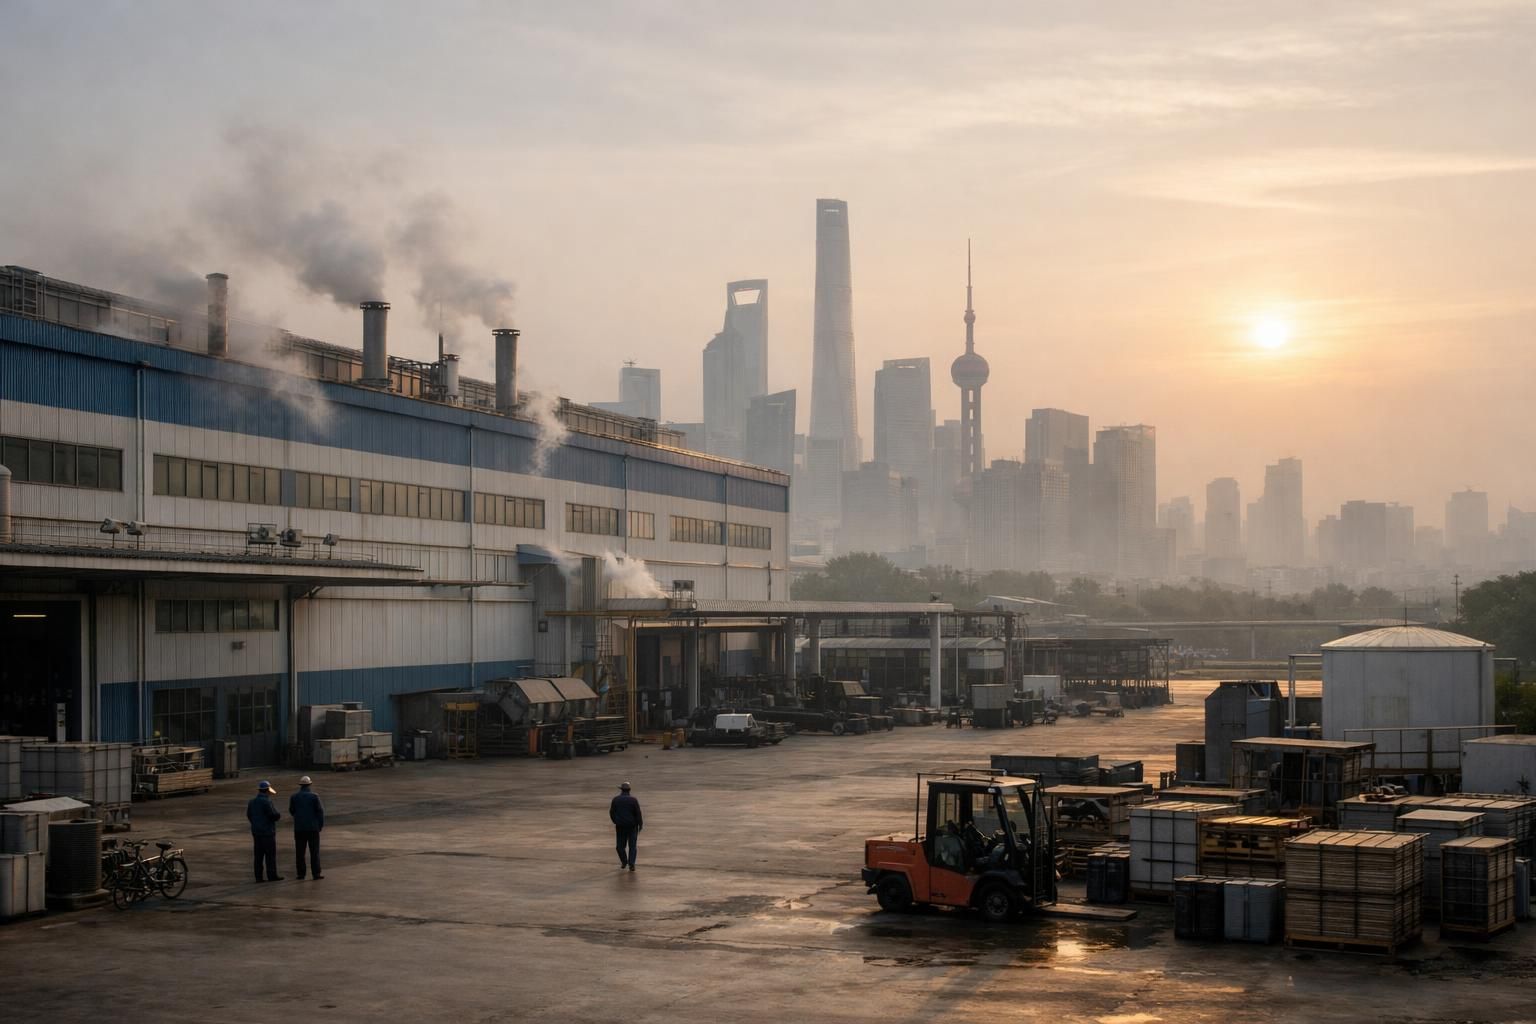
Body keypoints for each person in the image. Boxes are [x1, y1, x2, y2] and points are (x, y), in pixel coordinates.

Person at [289, 775, 325, 880]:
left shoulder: (294, 797)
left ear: (300, 785)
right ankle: (316, 873)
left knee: (300, 852)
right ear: (310, 784)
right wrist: (320, 825)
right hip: (313, 828)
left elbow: (292, 810)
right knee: (314, 852)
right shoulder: (314, 797)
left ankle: (301, 874)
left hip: (299, 828)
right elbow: (320, 812)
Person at [246, 780, 283, 882]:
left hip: (256, 832)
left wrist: (255, 824)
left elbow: (249, 815)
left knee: (258, 856)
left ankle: (258, 877)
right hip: (267, 832)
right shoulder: (267, 802)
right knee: (270, 855)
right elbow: (272, 815)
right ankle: (272, 875)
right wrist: (278, 816)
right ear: (267, 790)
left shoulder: (252, 802)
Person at [609, 781, 642, 871]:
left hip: (620, 826)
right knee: (632, 846)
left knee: (620, 846)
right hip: (632, 826)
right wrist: (640, 824)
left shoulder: (616, 799)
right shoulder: (633, 800)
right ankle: (631, 864)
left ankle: (624, 861)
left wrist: (615, 821)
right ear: (629, 790)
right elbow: (638, 813)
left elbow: (611, 812)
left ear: (621, 790)